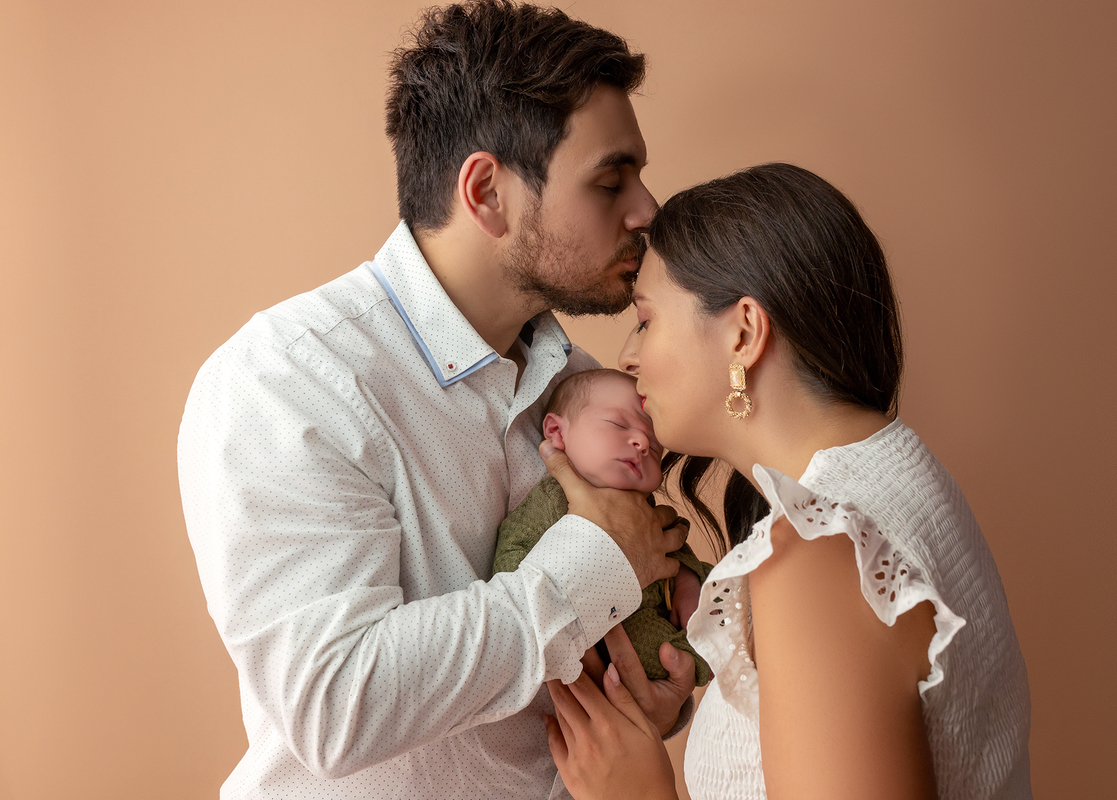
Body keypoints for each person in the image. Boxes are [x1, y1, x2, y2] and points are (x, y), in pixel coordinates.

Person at [177, 3, 698, 798]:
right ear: (486, 191)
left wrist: (643, 687)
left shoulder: (587, 388)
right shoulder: (289, 382)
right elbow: (336, 706)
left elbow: (588, 646)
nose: (646, 210)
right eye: (610, 179)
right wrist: (593, 566)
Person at [540, 163, 1033, 800]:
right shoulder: (895, 470)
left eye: (646, 319)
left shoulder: (819, 555)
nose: (629, 357)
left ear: (743, 332)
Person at [493, 368, 713, 685]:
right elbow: (512, 548)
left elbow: (675, 545)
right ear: (556, 431)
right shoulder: (553, 499)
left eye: (654, 447)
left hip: (653, 613)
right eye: (618, 425)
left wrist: (688, 581)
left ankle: (702, 656)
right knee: (654, 649)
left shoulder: (643, 507)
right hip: (594, 633)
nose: (640, 442)